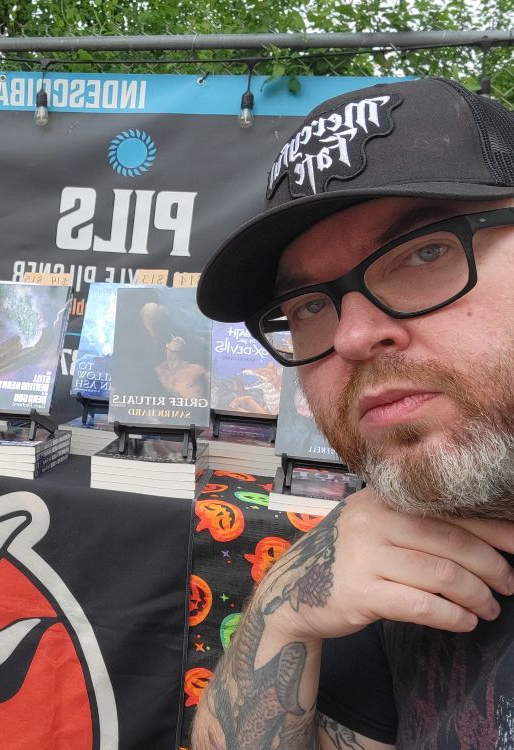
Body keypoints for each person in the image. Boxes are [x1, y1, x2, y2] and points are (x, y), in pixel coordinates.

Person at [191, 77, 514, 749]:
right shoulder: (403, 542)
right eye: (308, 305)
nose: (351, 336)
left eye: (426, 251)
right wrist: (281, 613)